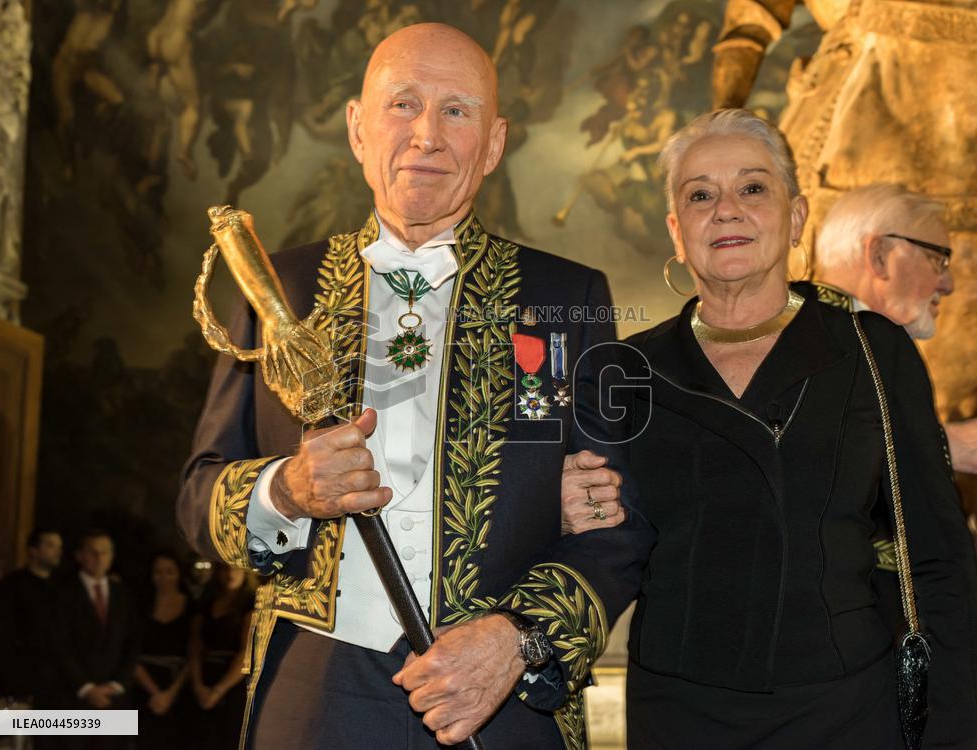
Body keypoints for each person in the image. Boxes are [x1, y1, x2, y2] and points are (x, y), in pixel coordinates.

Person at [178, 22, 652, 749]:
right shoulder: (275, 290)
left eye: (456, 111)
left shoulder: (566, 299)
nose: (427, 135)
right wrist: (287, 489)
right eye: (403, 104)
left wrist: (514, 641)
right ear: (358, 129)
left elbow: (617, 530)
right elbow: (197, 499)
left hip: (500, 704)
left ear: (493, 145)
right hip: (315, 695)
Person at [616, 109, 977, 748]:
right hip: (679, 713)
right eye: (701, 195)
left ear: (797, 215)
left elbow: (938, 560)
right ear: (677, 231)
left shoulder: (872, 350)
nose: (726, 210)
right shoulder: (630, 371)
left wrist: (949, 730)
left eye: (753, 188)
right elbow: (608, 542)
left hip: (846, 710)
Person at [815, 183, 977, 474]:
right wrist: (946, 445)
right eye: (937, 259)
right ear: (879, 255)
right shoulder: (799, 339)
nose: (949, 284)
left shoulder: (875, 347)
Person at [52, 529, 138, 719]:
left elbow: (132, 644)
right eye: (93, 552)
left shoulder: (125, 595)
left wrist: (117, 684)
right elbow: (58, 645)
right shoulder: (61, 594)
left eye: (105, 552)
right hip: (72, 699)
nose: (99, 557)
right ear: (80, 556)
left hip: (115, 698)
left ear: (112, 556)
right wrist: (86, 688)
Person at [0, 528, 63, 703]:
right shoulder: (11, 586)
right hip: (20, 678)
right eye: (51, 545)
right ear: (33, 550)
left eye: (59, 546)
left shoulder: (62, 587)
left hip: (55, 679)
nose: (58, 551)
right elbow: (3, 635)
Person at [134, 551, 196, 748]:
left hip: (178, 687)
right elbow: (131, 651)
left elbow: (194, 652)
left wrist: (171, 693)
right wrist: (155, 693)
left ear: (179, 574)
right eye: (158, 572)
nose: (163, 577)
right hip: (144, 686)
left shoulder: (192, 607)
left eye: (170, 572)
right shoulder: (140, 607)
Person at [190, 563, 254, 750]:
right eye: (225, 568)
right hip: (205, 675)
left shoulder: (251, 605)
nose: (230, 574)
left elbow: (246, 652)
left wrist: (219, 690)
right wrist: (197, 685)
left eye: (235, 568)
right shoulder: (207, 603)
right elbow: (195, 646)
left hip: (233, 682)